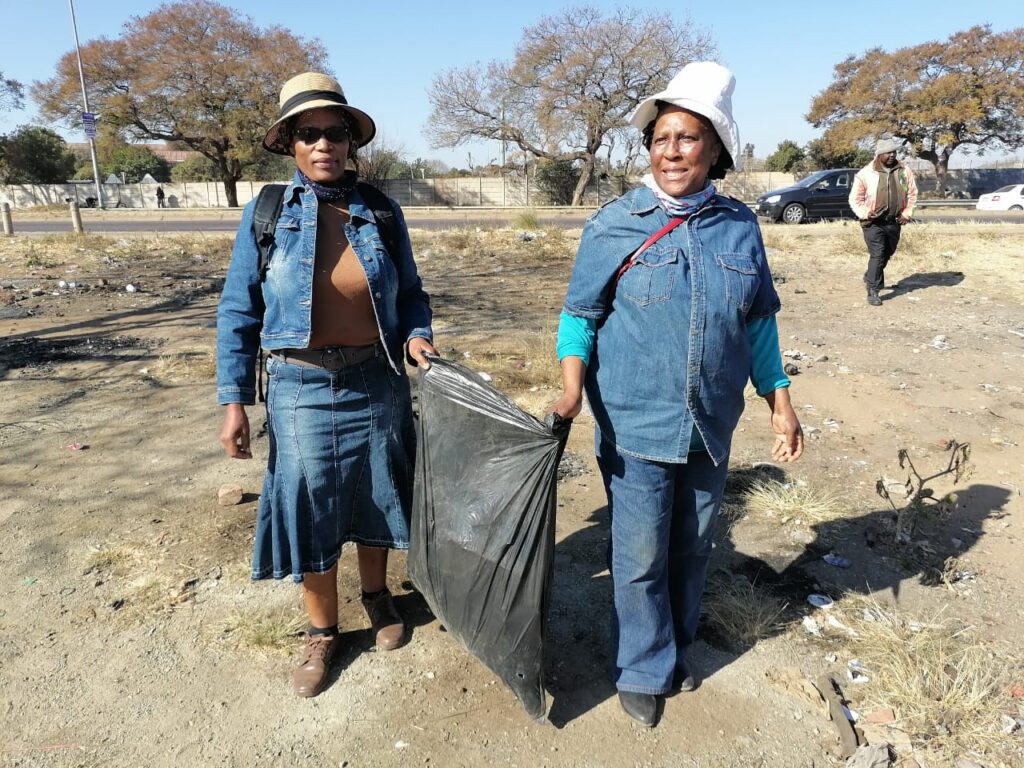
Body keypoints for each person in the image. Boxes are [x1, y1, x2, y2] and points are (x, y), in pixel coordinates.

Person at [549, 62, 803, 727]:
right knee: (637, 554)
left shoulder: (738, 227)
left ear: (715, 149)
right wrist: (572, 386)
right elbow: (580, 315)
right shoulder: (615, 223)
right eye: (661, 137)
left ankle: (675, 640)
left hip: (711, 422)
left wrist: (779, 397)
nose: (671, 151)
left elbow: (757, 321)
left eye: (688, 138)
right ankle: (643, 667)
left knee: (693, 545)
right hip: (635, 421)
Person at [216, 72, 436, 698]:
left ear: (350, 142)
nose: (323, 145)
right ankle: (322, 630)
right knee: (310, 506)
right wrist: (233, 401)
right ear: (289, 142)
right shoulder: (266, 213)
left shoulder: (381, 211)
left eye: (334, 133)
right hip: (300, 385)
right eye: (309, 133)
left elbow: (412, 293)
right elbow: (238, 311)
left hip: (378, 377)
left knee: (377, 492)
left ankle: (376, 595)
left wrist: (418, 334)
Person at [848, 138, 918, 306]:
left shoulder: (903, 171)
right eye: (888, 153)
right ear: (879, 155)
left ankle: (870, 275)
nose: (892, 155)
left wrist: (907, 213)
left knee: (887, 253)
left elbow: (912, 194)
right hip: (873, 222)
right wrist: (865, 213)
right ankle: (873, 289)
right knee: (878, 253)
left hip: (894, 221)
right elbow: (854, 199)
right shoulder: (866, 173)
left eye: (894, 152)